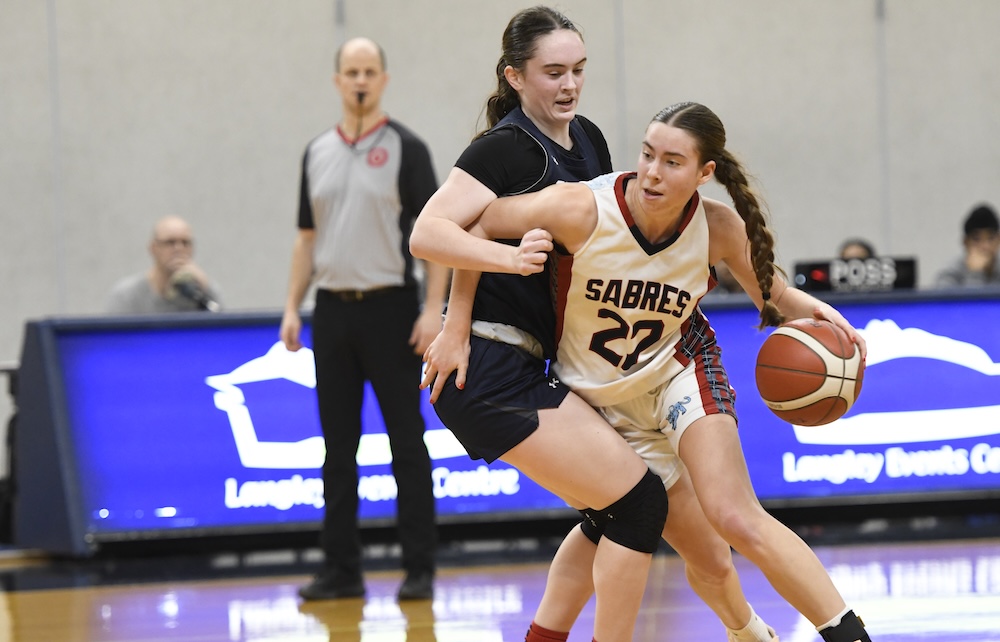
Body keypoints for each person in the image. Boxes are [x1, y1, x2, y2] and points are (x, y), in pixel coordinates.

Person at [412, 101, 875, 642]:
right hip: (602, 399)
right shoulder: (580, 207)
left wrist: (818, 311)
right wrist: (456, 321)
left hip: (680, 371)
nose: (654, 172)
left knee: (734, 515)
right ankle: (747, 630)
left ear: (705, 173)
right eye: (649, 154)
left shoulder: (718, 227)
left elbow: (774, 296)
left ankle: (850, 636)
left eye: (673, 162)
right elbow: (476, 223)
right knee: (703, 556)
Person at [410, 8, 775, 642]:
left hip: (550, 364)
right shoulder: (504, 147)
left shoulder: (590, 142)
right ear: (515, 76)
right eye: (553, 72)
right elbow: (433, 232)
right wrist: (460, 315)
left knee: (612, 512)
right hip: (493, 365)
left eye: (578, 69)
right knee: (637, 506)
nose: (569, 84)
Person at [279, 36, 448, 603]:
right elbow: (306, 239)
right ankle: (341, 572)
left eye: (369, 70)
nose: (360, 80)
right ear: (337, 80)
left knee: (407, 443)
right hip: (331, 312)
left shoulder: (408, 148)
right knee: (337, 447)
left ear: (383, 80)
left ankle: (419, 569)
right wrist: (291, 308)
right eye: (351, 70)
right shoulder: (316, 152)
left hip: (392, 310)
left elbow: (437, 240)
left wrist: (432, 310)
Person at [106, 215, 222, 314]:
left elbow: (223, 332)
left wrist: (206, 288)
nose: (179, 249)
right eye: (170, 242)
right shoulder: (128, 295)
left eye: (185, 243)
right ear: (153, 248)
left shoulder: (200, 291)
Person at [935, 203, 1000, 288]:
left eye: (990, 238)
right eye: (977, 239)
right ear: (965, 243)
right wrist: (975, 273)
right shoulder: (949, 274)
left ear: (998, 240)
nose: (985, 246)